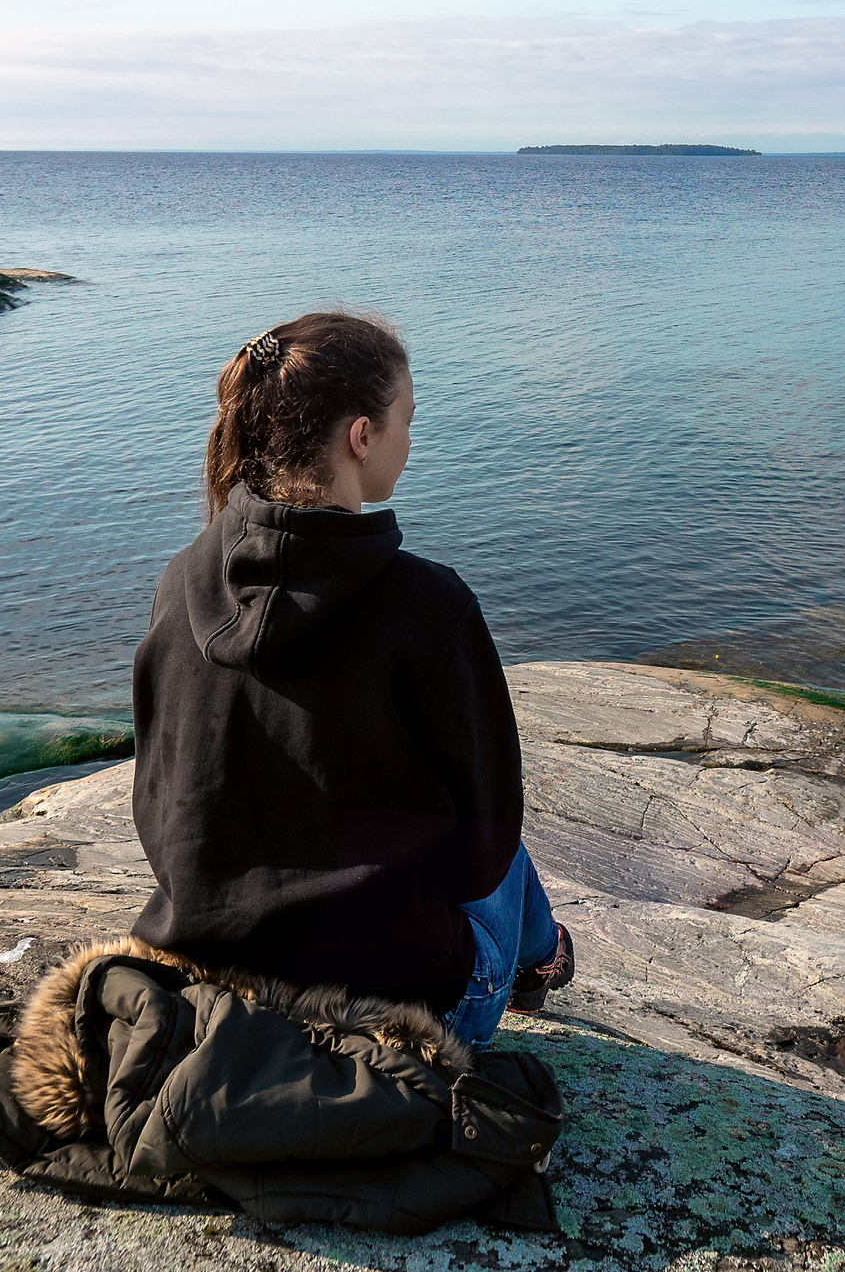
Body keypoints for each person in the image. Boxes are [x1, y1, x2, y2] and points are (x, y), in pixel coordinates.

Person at [128, 309, 573, 1048]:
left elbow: (157, 800)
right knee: (501, 834)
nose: (410, 437)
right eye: (406, 418)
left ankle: (538, 956)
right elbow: (485, 849)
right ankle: (538, 962)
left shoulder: (181, 580)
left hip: (213, 981)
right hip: (400, 1011)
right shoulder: (429, 606)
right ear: (360, 436)